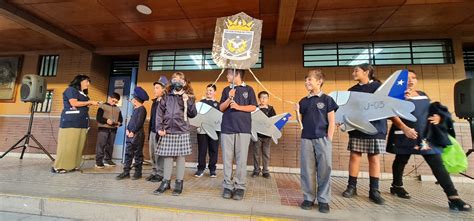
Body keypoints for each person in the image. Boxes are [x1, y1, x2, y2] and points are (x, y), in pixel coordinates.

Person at [387, 70, 472, 212]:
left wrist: (438, 117)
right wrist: (405, 128)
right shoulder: (397, 96)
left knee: (437, 163)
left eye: (414, 78)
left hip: (426, 136)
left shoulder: (423, 95)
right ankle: (397, 186)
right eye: (407, 78)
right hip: (405, 134)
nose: (411, 80)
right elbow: (391, 112)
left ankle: (453, 197)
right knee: (401, 160)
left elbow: (432, 110)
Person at [295, 70, 338, 213]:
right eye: (306, 80)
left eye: (309, 80)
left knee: (324, 169)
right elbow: (300, 122)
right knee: (307, 169)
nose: (307, 82)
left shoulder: (327, 100)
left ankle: (324, 200)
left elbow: (332, 122)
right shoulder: (303, 101)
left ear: (319, 81)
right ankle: (308, 197)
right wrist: (296, 112)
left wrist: (329, 139)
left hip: (323, 139)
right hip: (306, 138)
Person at [153, 72, 197, 196]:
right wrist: (159, 128)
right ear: (171, 81)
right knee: (167, 157)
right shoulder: (166, 96)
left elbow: (193, 114)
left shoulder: (189, 96)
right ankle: (165, 182)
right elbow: (159, 113)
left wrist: (188, 101)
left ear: (184, 82)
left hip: (181, 130)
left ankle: (179, 183)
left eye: (180, 79)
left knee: (180, 158)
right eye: (174, 79)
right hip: (167, 130)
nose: (177, 81)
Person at [219, 69, 258, 200]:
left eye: (229, 73)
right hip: (227, 128)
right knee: (227, 159)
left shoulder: (249, 89)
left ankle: (240, 186)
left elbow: (253, 107)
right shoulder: (226, 90)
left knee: (241, 160)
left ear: (237, 75)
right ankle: (228, 186)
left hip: (243, 128)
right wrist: (229, 98)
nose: (227, 76)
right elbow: (221, 108)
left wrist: (239, 107)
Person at [52, 74, 99, 174]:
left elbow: (82, 103)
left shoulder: (83, 93)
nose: (88, 84)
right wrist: (89, 102)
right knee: (68, 144)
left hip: (81, 121)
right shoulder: (71, 90)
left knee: (78, 144)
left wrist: (89, 102)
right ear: (80, 81)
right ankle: (59, 166)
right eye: (87, 81)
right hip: (71, 121)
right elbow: (74, 103)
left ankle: (73, 165)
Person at [116, 87, 149, 180]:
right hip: (130, 134)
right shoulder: (136, 109)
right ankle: (126, 171)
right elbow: (131, 122)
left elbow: (139, 122)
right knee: (128, 153)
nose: (132, 100)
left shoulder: (142, 109)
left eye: (133, 98)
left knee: (137, 154)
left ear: (136, 100)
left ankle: (138, 172)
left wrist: (133, 131)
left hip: (137, 135)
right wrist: (127, 129)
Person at [195, 84, 220, 178]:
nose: (208, 92)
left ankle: (212, 169)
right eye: (207, 90)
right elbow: (197, 115)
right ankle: (200, 169)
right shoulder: (201, 102)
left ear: (214, 92)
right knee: (202, 150)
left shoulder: (218, 104)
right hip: (202, 130)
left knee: (213, 150)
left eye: (210, 90)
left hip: (214, 130)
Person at [251, 91, 276, 179]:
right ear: (259, 99)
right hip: (257, 135)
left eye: (265, 97)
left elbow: (274, 121)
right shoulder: (255, 109)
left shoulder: (271, 109)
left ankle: (265, 171)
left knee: (266, 154)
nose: (263, 99)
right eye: (261, 97)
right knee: (256, 153)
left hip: (267, 136)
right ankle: (256, 170)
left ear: (268, 99)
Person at [95, 92, 122, 168]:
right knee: (101, 145)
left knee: (110, 145)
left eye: (116, 102)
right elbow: (98, 118)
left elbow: (121, 119)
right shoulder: (102, 106)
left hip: (113, 129)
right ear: (109, 98)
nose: (114, 103)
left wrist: (119, 123)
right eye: (113, 101)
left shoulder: (118, 109)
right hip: (103, 129)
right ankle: (98, 161)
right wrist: (106, 121)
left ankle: (108, 160)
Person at [146, 80, 166, 182]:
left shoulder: (165, 102)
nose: (155, 90)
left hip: (160, 132)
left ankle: (160, 173)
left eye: (157, 88)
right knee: (152, 153)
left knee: (159, 155)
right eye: (155, 87)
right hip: (152, 131)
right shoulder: (154, 102)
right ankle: (154, 171)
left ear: (163, 89)